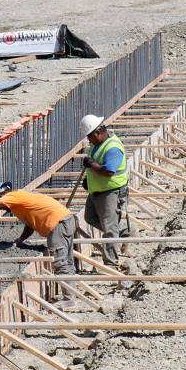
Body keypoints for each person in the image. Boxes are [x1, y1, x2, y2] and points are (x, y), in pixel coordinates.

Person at [0, 180, 78, 306]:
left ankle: (69, 299)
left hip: (57, 225)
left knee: (60, 262)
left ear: (1, 195)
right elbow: (30, 225)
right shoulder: (19, 201)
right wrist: (20, 240)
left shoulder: (12, 197)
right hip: (66, 220)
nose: (0, 208)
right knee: (67, 261)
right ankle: (71, 293)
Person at [80, 114, 131, 270]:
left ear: (98, 132)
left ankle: (111, 264)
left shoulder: (113, 148)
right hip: (97, 191)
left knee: (109, 230)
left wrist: (91, 164)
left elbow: (108, 171)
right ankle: (126, 231)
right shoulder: (97, 144)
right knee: (89, 217)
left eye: (90, 137)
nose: (89, 140)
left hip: (111, 192)